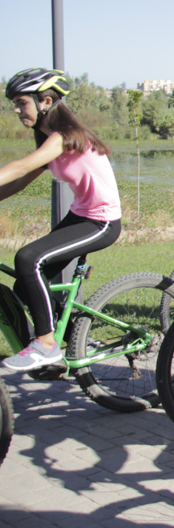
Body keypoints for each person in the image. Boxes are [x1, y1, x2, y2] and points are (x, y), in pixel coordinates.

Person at [0, 68, 122, 371]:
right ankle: (67, 338)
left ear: (45, 101)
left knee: (28, 259)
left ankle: (46, 345)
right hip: (80, 214)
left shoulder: (64, 138)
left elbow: (18, 167)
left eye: (20, 102)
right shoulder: (48, 140)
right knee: (24, 288)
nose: (16, 110)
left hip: (101, 222)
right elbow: (22, 179)